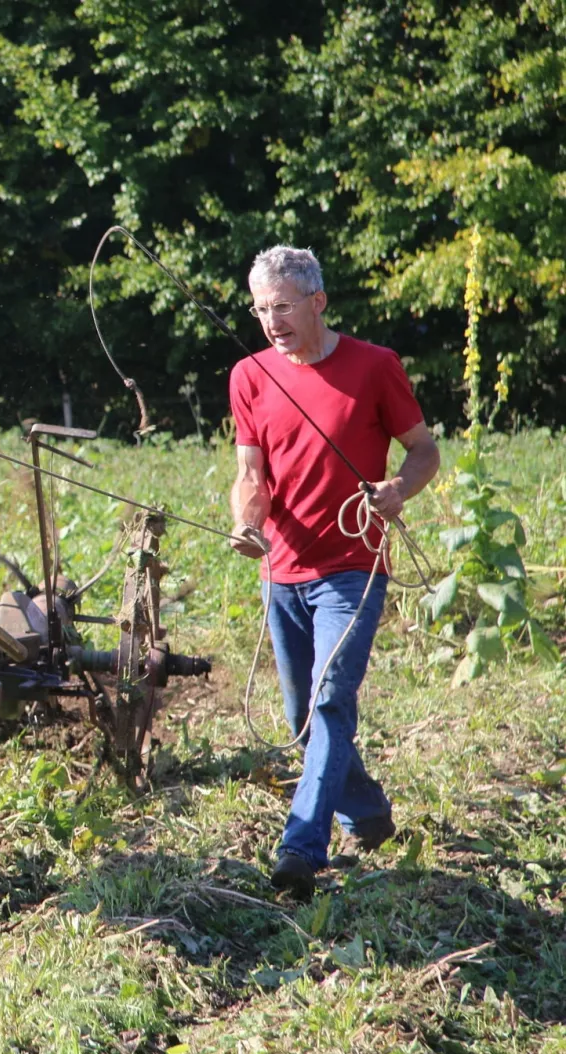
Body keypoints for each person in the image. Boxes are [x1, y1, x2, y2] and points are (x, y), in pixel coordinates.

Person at [227, 245, 441, 899]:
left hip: (353, 568)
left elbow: (424, 451)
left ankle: (300, 851)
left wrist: (398, 489)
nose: (272, 321)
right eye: (262, 310)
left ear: (317, 302)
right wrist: (248, 522)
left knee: (328, 702)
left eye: (284, 307)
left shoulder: (376, 367)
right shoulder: (249, 375)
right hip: (282, 573)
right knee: (303, 715)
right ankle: (369, 815)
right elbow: (250, 474)